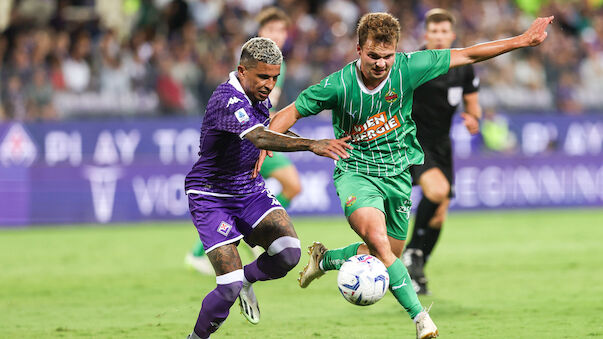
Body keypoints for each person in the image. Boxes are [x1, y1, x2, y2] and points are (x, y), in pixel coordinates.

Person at [265, 12, 553, 339]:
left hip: (398, 174)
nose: (380, 64)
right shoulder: (338, 85)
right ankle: (420, 320)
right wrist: (266, 143)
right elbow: (290, 111)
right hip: (356, 172)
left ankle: (326, 259)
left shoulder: (408, 67)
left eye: (387, 56)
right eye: (373, 56)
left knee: (386, 253)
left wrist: (523, 40)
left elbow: (469, 53)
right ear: (359, 49)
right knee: (378, 241)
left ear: (396, 52)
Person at [184, 37, 352, 339]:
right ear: (242, 70)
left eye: (274, 77)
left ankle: (249, 280)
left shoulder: (258, 97)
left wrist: (300, 138)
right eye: (263, 76)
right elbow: (260, 137)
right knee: (228, 286)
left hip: (248, 190)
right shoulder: (228, 98)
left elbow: (271, 127)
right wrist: (312, 144)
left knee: (288, 253)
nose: (270, 84)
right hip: (211, 195)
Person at [184, 7, 300, 274]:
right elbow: (244, 112)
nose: (278, 35)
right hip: (250, 140)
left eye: (282, 30)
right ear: (261, 33)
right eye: (272, 30)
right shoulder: (251, 66)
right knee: (288, 185)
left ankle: (244, 236)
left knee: (284, 187)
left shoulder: (277, 67)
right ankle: (248, 238)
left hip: (262, 137)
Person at [402, 8, 482, 296]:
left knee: (438, 215)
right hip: (413, 140)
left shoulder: (464, 65)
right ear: (426, 35)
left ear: (452, 35)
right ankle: (410, 253)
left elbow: (473, 105)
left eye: (443, 32)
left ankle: (417, 269)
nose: (438, 37)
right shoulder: (416, 63)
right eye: (433, 32)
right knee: (437, 192)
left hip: (442, 144)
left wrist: (473, 118)